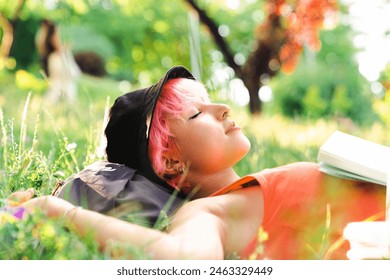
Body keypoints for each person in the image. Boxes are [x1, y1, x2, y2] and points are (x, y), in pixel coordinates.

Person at [7, 66, 387, 260]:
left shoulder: (248, 188)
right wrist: (53, 210)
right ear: (170, 161)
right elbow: (184, 261)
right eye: (196, 114)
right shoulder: (209, 214)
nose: (222, 108)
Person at [35, 19, 80, 104]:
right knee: (63, 82)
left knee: (58, 83)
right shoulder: (52, 34)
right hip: (58, 60)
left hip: (54, 60)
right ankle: (65, 102)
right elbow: (58, 48)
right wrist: (66, 47)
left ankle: (55, 102)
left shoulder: (42, 37)